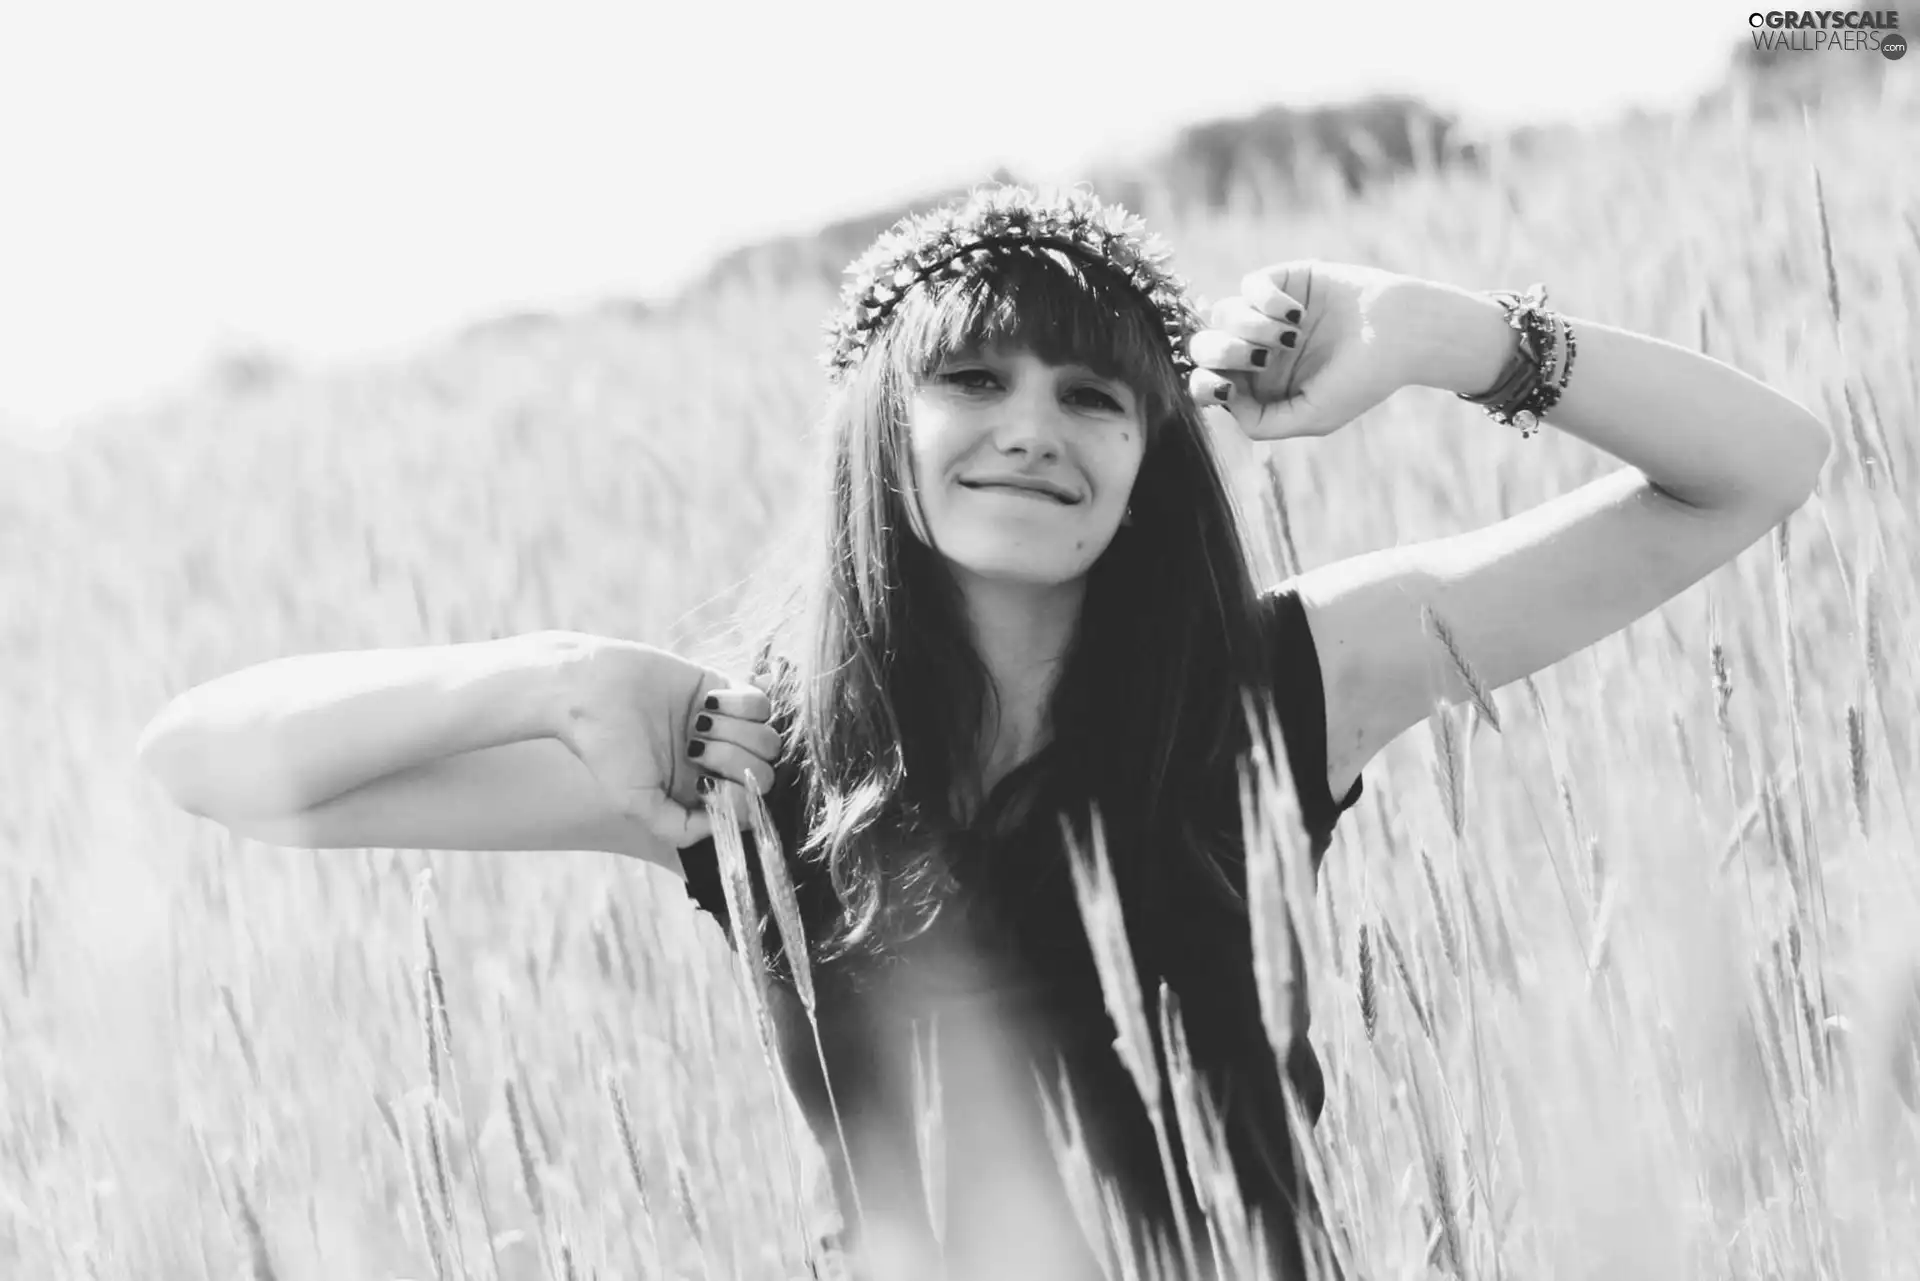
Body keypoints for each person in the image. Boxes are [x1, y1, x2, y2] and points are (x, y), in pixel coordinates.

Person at [137, 182, 1830, 1281]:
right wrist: (544, 674)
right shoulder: (739, 769)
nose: (1036, 432)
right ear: (882, 428)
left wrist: (1446, 334)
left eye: (1096, 397)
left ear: (1154, 457)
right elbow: (210, 770)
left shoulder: (1285, 684)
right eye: (976, 384)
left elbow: (1755, 468)